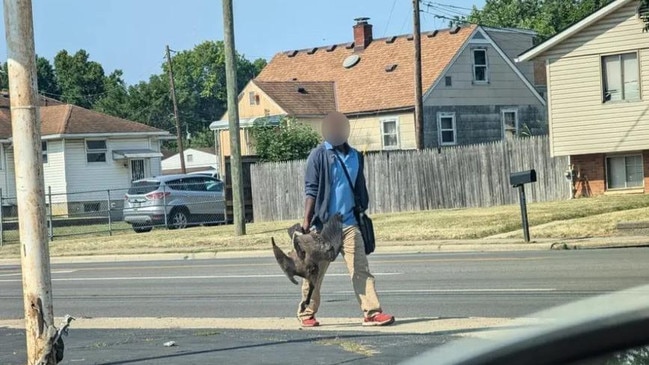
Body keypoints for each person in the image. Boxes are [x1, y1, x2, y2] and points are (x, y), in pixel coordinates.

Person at [298, 111, 395, 327]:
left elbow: (359, 187)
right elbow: (311, 189)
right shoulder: (319, 155)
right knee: (314, 273)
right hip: (323, 226)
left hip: (349, 223)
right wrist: (306, 221)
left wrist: (362, 209)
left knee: (360, 269)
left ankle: (372, 312)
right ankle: (307, 314)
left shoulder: (355, 156)